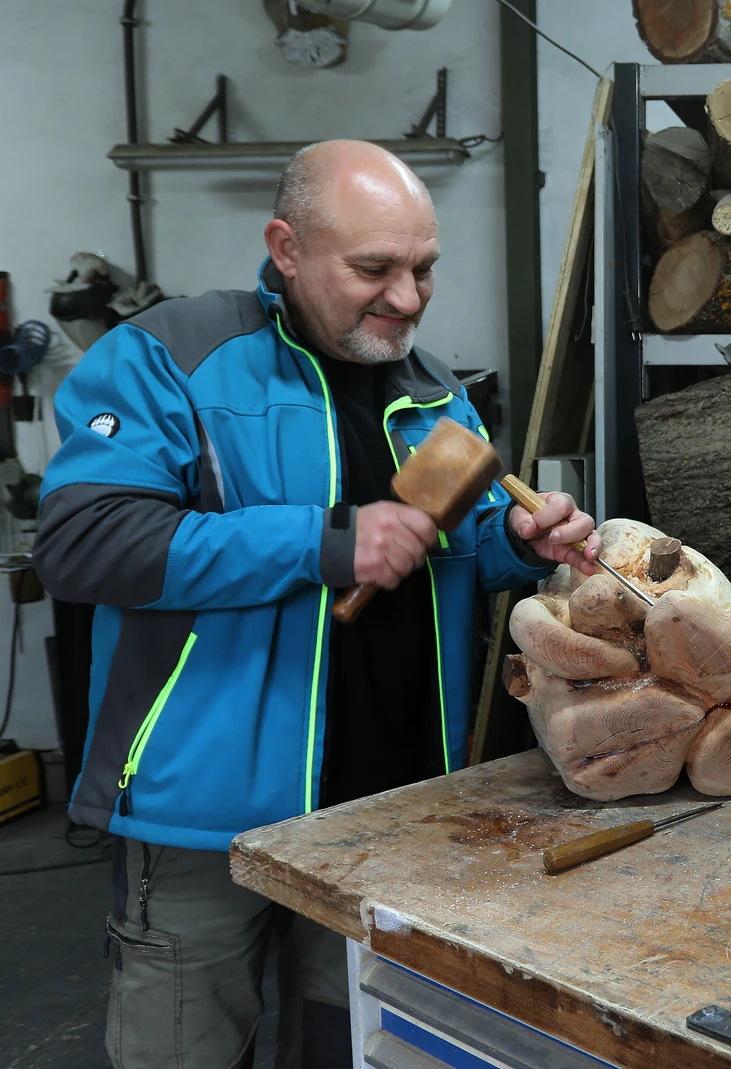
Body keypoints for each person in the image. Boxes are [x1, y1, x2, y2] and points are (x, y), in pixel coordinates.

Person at [35, 140, 600, 1069]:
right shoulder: (170, 359)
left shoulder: (437, 395)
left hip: (392, 813)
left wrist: (514, 546)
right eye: (374, 268)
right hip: (207, 820)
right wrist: (326, 540)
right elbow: (84, 542)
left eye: (423, 269)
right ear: (286, 247)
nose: (408, 298)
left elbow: (447, 554)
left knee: (359, 1050)